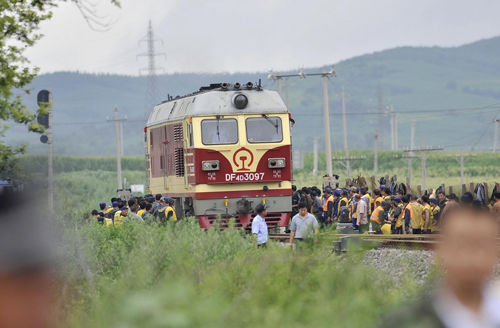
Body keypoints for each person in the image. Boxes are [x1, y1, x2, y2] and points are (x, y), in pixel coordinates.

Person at [383, 206, 500, 327]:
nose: (472, 258)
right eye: (461, 245)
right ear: (442, 249)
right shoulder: (408, 321)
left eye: (482, 247)